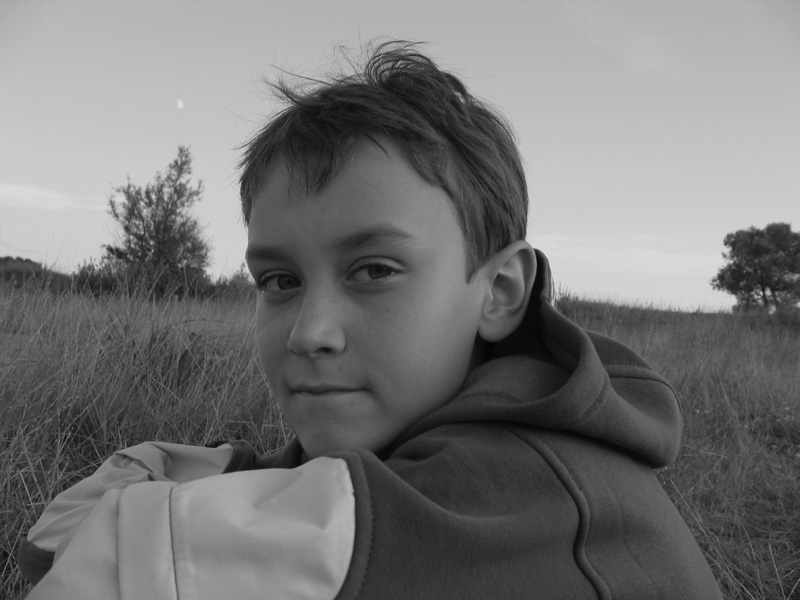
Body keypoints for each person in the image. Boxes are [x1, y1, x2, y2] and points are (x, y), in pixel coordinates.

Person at [19, 41, 722, 599]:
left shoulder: (492, 502)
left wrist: (162, 471)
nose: (308, 332)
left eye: (376, 270)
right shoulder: (489, 428)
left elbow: (63, 557)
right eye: (280, 281)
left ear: (501, 290)